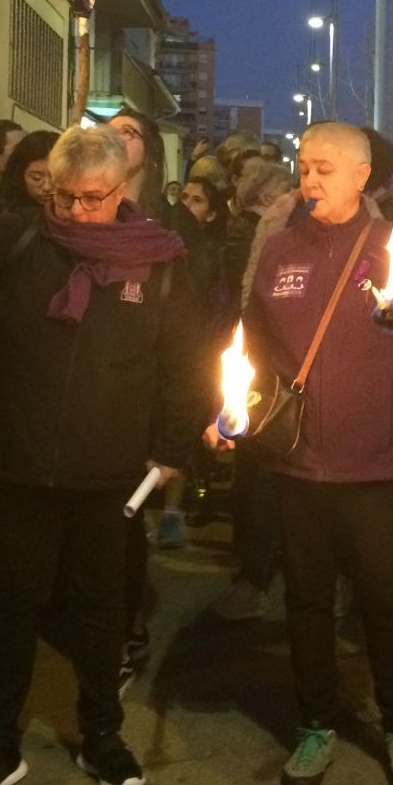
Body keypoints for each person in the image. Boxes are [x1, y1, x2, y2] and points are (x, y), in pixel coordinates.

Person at [0, 125, 209, 785]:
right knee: (12, 607)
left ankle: (101, 734)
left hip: (110, 472)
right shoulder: (23, 238)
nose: (78, 213)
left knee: (101, 609)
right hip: (16, 463)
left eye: (94, 199)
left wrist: (169, 448)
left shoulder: (159, 261)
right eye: (67, 198)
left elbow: (184, 361)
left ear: (121, 188)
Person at [245, 122, 393, 785]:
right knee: (306, 603)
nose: (308, 181)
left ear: (362, 175)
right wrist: (235, 411)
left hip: (375, 468)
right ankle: (315, 722)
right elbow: (253, 346)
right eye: (303, 167)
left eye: (324, 168)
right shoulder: (279, 252)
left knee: (386, 603)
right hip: (299, 466)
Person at [208, 157, 294, 621]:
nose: (310, 179)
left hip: (323, 367)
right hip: (273, 362)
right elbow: (253, 297)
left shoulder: (369, 226)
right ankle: (256, 572)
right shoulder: (279, 220)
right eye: (308, 168)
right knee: (263, 471)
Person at [156, 176, 228, 549]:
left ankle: (175, 511)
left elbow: (218, 311)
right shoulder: (161, 246)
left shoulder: (213, 256)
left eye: (197, 200)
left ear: (212, 213)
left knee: (183, 434)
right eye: (183, 196)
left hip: (197, 353)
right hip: (164, 351)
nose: (186, 204)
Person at [0, 130, 58, 213]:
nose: (47, 187)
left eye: (56, 178)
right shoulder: (2, 215)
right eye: (36, 178)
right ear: (20, 175)